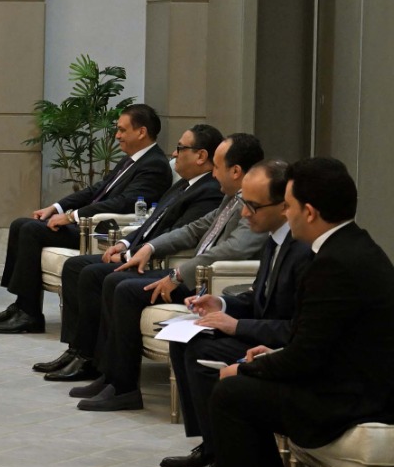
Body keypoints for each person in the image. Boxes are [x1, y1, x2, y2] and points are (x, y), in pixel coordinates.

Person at [176, 157, 394, 467]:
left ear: (309, 212)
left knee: (232, 392)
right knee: (243, 389)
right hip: (350, 380)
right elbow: (315, 336)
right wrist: (269, 355)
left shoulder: (333, 263)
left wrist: (247, 368)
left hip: (353, 395)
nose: (286, 214)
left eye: (289, 206)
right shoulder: (351, 247)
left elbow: (308, 356)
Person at [72, 133, 268, 412]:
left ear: (235, 171)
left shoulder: (253, 204)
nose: (213, 173)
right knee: (113, 280)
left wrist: (178, 274)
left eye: (217, 166)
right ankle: (110, 376)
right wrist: (150, 247)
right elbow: (194, 229)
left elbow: (234, 249)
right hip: (194, 273)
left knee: (126, 289)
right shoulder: (231, 198)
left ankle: (125, 388)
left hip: (210, 281)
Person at [159, 159, 310, 467]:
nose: (244, 213)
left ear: (284, 206)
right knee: (186, 339)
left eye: (252, 206)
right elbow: (260, 298)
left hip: (280, 345)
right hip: (263, 332)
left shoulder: (304, 251)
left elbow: (294, 327)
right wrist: (222, 304)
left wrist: (236, 326)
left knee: (203, 351)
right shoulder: (274, 240)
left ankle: (224, 459)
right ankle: (210, 446)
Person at [34, 124, 225, 381]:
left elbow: (178, 234)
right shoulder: (184, 185)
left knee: (93, 274)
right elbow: (151, 222)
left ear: (201, 156)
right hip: (140, 251)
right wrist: (124, 244)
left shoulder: (209, 192)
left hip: (161, 262)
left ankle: (90, 359)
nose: (174, 153)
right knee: (76, 266)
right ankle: (77, 350)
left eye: (180, 148)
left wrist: (130, 254)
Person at [0, 104, 173, 333]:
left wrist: (72, 216)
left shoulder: (154, 164)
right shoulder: (130, 160)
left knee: (31, 230)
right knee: (20, 224)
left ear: (141, 132)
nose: (117, 135)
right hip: (89, 223)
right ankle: (21, 304)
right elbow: (96, 191)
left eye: (122, 130)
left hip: (101, 230)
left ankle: (30, 314)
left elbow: (123, 202)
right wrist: (56, 207)